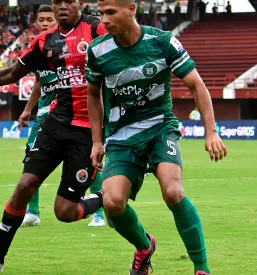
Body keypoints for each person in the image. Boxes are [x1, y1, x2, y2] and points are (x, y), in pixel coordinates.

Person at [0, 0, 108, 273]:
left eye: (69, 1)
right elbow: (12, 73)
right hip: (55, 124)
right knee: (24, 185)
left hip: (88, 131)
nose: (63, 6)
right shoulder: (45, 41)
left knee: (65, 212)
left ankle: (107, 196)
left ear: (80, 3)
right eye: (58, 2)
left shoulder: (98, 29)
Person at [85, 0, 227, 274]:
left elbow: (196, 84)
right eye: (101, 14)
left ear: (131, 8)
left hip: (160, 128)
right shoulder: (97, 50)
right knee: (113, 204)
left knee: (173, 191)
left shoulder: (162, 42)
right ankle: (144, 246)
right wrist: (97, 141)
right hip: (121, 136)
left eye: (111, 12)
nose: (104, 20)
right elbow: (93, 94)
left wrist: (211, 132)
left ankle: (201, 268)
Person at [17, 5, 105, 228]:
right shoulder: (43, 45)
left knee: (87, 163)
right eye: (41, 19)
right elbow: (38, 81)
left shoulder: (70, 42)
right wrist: (28, 109)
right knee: (30, 161)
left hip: (71, 115)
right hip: (45, 116)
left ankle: (99, 209)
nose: (45, 23)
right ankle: (33, 211)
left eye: (48, 19)